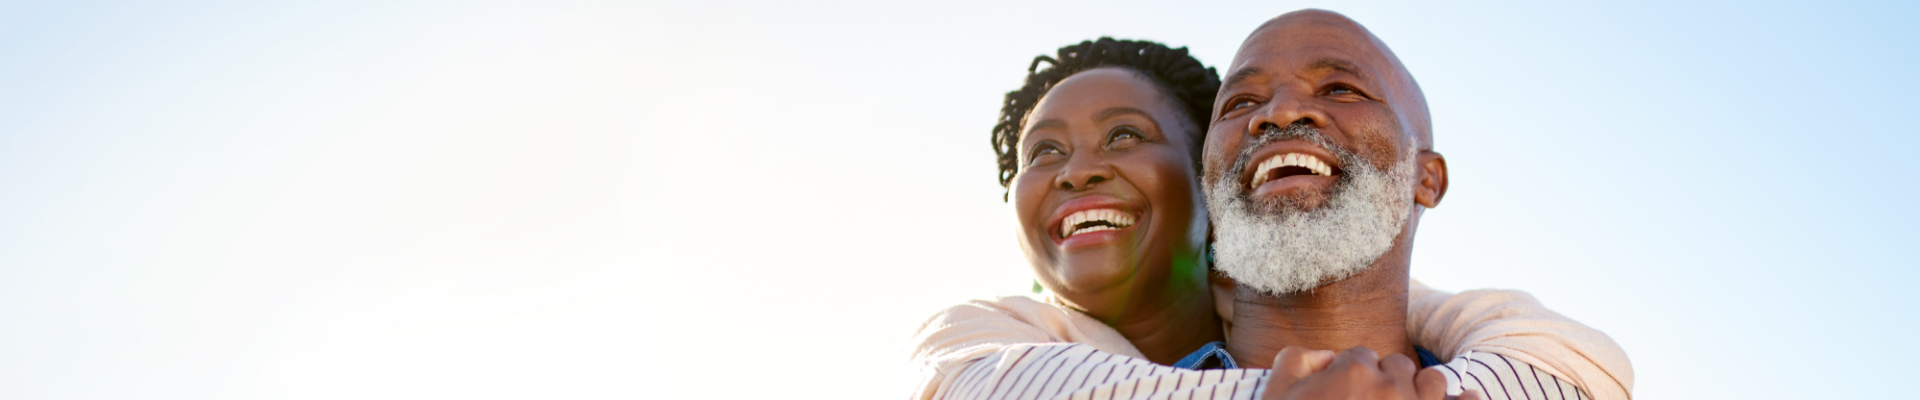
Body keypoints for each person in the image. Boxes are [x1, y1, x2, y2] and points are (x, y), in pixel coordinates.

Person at [906, 14, 1629, 399]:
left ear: (1428, 178)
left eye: (1341, 89)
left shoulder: (1510, 351)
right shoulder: (1002, 348)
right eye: (1243, 101)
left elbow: (1583, 368)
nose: (1278, 113)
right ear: (1220, 179)